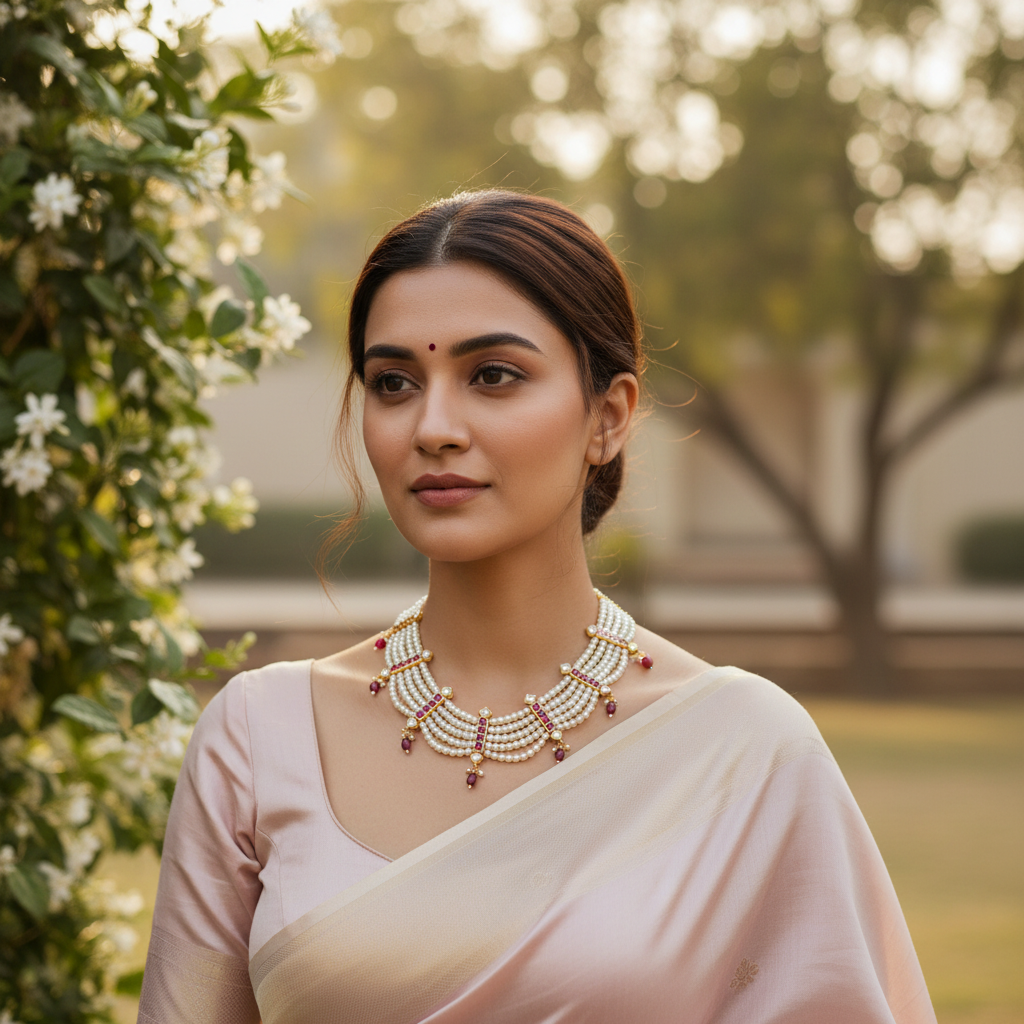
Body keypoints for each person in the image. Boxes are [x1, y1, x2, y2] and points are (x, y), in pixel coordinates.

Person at [138, 190, 936, 1024]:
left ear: (609, 417)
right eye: (394, 382)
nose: (433, 426)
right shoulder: (258, 740)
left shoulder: (740, 748)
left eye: (493, 375)